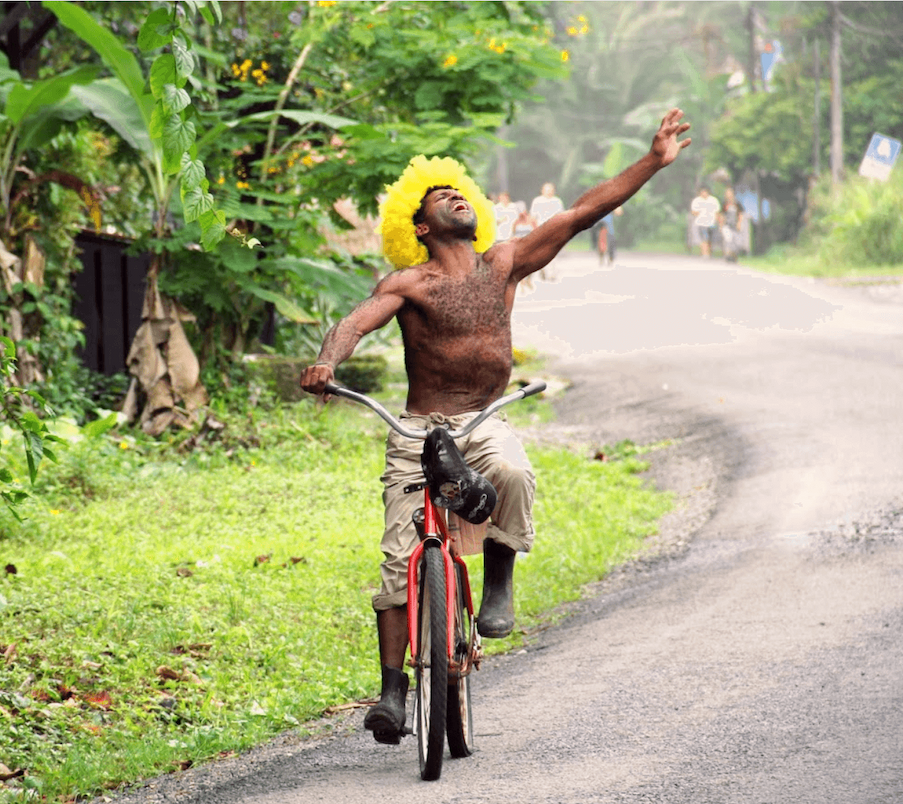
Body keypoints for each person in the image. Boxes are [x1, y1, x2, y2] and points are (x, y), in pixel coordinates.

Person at [299, 108, 692, 745]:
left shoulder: (503, 263)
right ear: (422, 227)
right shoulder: (410, 281)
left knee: (510, 469)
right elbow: (357, 321)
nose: (456, 197)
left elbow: (579, 214)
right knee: (400, 565)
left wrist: (652, 161)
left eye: (461, 192)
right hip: (420, 429)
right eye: (440, 198)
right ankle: (392, 693)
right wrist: (326, 360)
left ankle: (499, 580)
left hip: (484, 420)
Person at [690, 187, 720, 258]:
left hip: (711, 222)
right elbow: (693, 211)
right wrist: (699, 212)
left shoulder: (713, 200)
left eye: (705, 192)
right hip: (701, 222)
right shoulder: (697, 200)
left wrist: (717, 220)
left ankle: (707, 252)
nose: (704, 193)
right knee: (704, 238)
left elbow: (717, 211)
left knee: (710, 239)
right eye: (702, 192)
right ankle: (705, 253)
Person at [719, 190, 745, 262]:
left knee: (738, 242)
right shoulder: (724, 204)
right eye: (727, 194)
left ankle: (733, 255)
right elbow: (721, 215)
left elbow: (740, 214)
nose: (729, 196)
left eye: (730, 194)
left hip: (735, 225)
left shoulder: (737, 203)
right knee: (728, 239)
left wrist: (739, 223)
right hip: (727, 225)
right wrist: (721, 225)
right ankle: (728, 255)